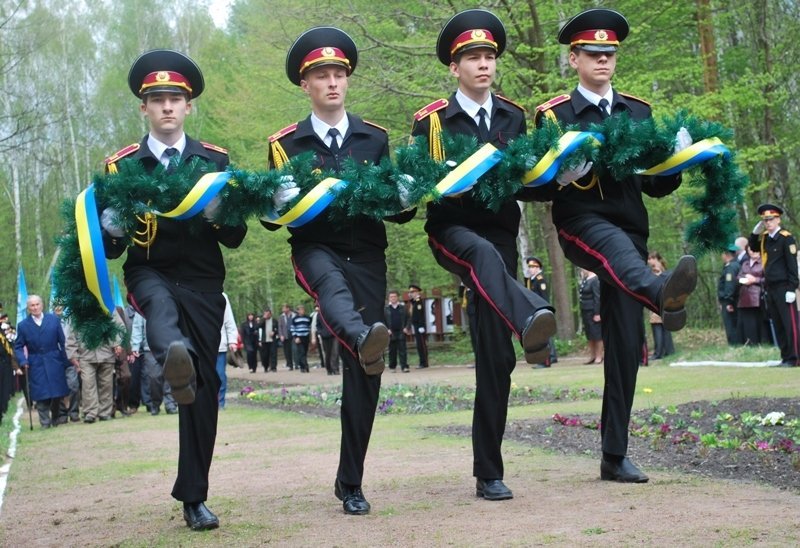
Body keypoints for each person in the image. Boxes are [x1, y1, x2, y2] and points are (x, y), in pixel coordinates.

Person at [531, 8, 698, 483]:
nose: (603, 60)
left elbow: (654, 186)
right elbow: (530, 184)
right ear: (574, 59)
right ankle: (660, 292)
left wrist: (675, 163)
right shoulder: (553, 115)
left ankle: (614, 454)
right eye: (592, 53)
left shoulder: (638, 112)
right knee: (615, 251)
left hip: (631, 231)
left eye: (609, 53)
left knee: (626, 343)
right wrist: (559, 176)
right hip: (581, 223)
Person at [263, 26, 414, 515]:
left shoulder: (375, 138)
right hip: (316, 249)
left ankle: (350, 481)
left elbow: (396, 208)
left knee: (366, 372)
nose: (331, 82)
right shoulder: (286, 144)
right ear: (305, 84)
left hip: (367, 256)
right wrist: (273, 202)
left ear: (347, 81)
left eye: (338, 74)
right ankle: (360, 332)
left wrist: (406, 196)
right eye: (321, 75)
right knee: (330, 288)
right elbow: (271, 216)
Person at [410, 9, 556, 502]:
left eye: (489, 56)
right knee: (480, 253)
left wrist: (559, 174)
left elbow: (530, 183)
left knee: (496, 357)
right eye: (473, 57)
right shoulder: (432, 121)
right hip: (452, 231)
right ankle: (530, 314)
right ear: (455, 68)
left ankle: (488, 471)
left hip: (501, 238)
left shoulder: (514, 116)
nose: (483, 65)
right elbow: (420, 185)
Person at [99, 49, 247, 530]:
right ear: (144, 107)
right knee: (161, 313)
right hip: (150, 272)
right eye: (158, 99)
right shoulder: (123, 166)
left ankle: (194, 496)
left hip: (204, 282)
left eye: (175, 99)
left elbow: (236, 237)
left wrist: (220, 214)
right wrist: (112, 228)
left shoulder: (215, 160)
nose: (167, 106)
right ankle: (173, 355)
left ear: (188, 106)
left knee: (204, 392)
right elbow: (110, 250)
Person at [749, 203, 799, 366]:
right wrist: (754, 234)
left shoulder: (786, 238)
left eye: (771, 219)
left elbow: (792, 266)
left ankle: (795, 357)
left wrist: (792, 288)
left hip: (784, 287)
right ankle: (785, 357)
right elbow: (753, 247)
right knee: (778, 324)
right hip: (770, 287)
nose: (768, 223)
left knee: (790, 324)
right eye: (765, 220)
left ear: (778, 220)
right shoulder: (765, 238)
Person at [13, 295, 70, 429]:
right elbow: (18, 346)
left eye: (37, 304)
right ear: (28, 308)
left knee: (56, 392)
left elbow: (62, 342)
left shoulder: (54, 320)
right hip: (36, 362)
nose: (35, 307)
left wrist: (65, 361)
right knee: (41, 393)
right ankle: (45, 422)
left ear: (42, 305)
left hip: (54, 360)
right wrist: (23, 360)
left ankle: (55, 417)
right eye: (32, 305)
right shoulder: (23, 326)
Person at [65, 312, 125, 423]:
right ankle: (90, 413)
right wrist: (72, 355)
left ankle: (105, 413)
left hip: (106, 352)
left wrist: (117, 344)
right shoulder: (78, 309)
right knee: (87, 384)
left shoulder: (108, 306)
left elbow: (119, 327)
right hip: (85, 354)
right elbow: (71, 334)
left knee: (106, 384)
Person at [130, 312, 178, 415]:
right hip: (150, 348)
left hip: (169, 346)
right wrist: (135, 346)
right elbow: (137, 327)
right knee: (153, 377)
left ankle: (170, 404)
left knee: (170, 376)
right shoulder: (142, 307)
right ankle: (155, 404)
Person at [525, 256, 558, 368]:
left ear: (538, 268)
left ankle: (546, 361)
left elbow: (543, 298)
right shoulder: (532, 280)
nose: (530, 269)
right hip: (535, 311)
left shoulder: (540, 280)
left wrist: (544, 311)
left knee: (543, 336)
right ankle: (548, 358)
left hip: (541, 311)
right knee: (541, 336)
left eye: (533, 267)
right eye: (529, 267)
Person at [737, 245, 768, 346]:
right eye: (750, 249)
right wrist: (743, 279)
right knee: (747, 321)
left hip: (759, 295)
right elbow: (738, 276)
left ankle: (762, 342)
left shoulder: (764, 262)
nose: (753, 252)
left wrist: (755, 280)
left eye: (755, 249)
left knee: (759, 320)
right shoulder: (745, 263)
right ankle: (749, 342)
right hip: (744, 295)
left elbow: (768, 279)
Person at [216, 293, 238, 409]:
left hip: (220, 346)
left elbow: (229, 320)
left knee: (220, 375)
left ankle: (220, 403)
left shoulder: (222, 296)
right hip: (202, 346)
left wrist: (232, 341)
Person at [718, 246, 741, 345]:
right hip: (733, 300)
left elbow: (730, 285)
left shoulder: (730, 267)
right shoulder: (735, 265)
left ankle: (734, 344)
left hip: (729, 301)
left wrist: (728, 301)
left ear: (726, 254)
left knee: (730, 324)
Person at [579, 268, 603, 364]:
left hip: (593, 311)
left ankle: (599, 356)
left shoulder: (595, 280)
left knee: (597, 334)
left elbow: (597, 297)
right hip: (585, 310)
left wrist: (597, 313)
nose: (582, 270)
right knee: (589, 334)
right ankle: (592, 356)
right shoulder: (586, 280)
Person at [384, 290, 410, 373]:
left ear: (397, 297)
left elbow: (409, 318)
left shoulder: (403, 307)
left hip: (401, 331)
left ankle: (404, 367)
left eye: (394, 296)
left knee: (403, 350)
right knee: (392, 351)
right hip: (391, 332)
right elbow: (383, 320)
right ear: (389, 298)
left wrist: (406, 328)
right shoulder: (386, 309)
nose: (393, 298)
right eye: (391, 297)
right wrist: (386, 329)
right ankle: (392, 367)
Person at [407, 284, 429, 369]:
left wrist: (421, 326)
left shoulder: (419, 301)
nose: (410, 294)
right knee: (419, 345)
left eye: (412, 292)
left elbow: (420, 315)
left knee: (421, 344)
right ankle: (422, 362)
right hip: (416, 325)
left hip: (420, 326)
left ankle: (424, 362)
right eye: (410, 292)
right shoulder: (415, 302)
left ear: (417, 292)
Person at [315, 306, 340, 375]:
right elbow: (318, 325)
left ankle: (335, 369)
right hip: (325, 336)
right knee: (328, 353)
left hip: (334, 335)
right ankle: (329, 369)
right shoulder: (319, 315)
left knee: (335, 352)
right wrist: (321, 332)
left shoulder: (333, 313)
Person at [289, 304, 312, 373]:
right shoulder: (295, 319)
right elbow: (292, 329)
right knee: (301, 352)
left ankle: (302, 366)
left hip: (306, 336)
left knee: (305, 351)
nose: (302, 311)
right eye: (301, 310)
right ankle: (305, 366)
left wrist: (310, 335)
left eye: (303, 309)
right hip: (299, 337)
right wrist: (296, 337)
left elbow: (310, 326)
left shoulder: (308, 318)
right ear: (298, 311)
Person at [258, 308, 277, 372]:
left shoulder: (274, 320)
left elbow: (277, 328)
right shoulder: (262, 321)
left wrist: (274, 332)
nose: (267, 315)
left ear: (270, 314)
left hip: (272, 339)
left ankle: (273, 367)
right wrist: (264, 318)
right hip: (264, 340)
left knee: (273, 354)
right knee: (265, 355)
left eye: (268, 314)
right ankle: (266, 367)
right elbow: (259, 326)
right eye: (265, 314)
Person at [278, 303, 295, 370]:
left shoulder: (294, 315)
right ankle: (290, 364)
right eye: (282, 308)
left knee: (295, 349)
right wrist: (281, 335)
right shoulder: (281, 316)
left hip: (293, 334)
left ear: (288, 308)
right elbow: (280, 327)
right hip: (285, 335)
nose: (283, 309)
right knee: (287, 351)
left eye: (284, 308)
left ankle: (297, 363)